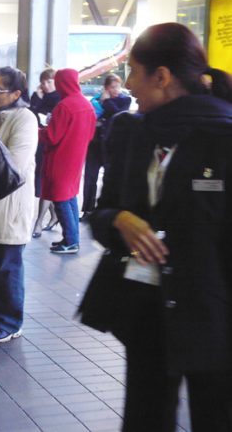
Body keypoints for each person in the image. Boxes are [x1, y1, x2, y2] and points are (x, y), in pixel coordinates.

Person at [89, 22, 232, 431]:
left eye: (134, 71)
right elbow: (102, 212)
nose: (128, 83)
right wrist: (118, 218)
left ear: (162, 77)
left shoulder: (223, 139)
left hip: (212, 314)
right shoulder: (133, 133)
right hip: (147, 308)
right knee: (145, 418)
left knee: (215, 417)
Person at [0, 66, 38, 343]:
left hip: (11, 206)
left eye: (0, 90)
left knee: (8, 265)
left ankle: (10, 321)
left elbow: (15, 165)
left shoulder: (24, 118)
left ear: (17, 93)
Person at [40, 68, 96, 254]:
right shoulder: (86, 104)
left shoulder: (64, 106)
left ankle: (71, 242)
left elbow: (53, 137)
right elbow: (91, 134)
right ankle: (72, 238)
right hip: (77, 157)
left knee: (60, 198)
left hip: (61, 159)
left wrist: (38, 131)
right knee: (70, 196)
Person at [81, 73, 131, 221]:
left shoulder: (124, 99)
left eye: (117, 86)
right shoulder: (96, 101)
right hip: (95, 144)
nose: (116, 90)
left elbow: (117, 113)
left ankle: (108, 210)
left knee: (110, 178)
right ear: (106, 88)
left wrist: (107, 100)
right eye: (112, 87)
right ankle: (87, 209)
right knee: (90, 178)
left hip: (111, 147)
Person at [29, 67, 61, 238]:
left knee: (44, 181)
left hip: (51, 144)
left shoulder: (59, 99)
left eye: (49, 82)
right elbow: (31, 114)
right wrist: (37, 98)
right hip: (39, 142)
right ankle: (54, 215)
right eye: (43, 82)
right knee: (41, 179)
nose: (46, 85)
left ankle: (39, 222)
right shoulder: (41, 97)